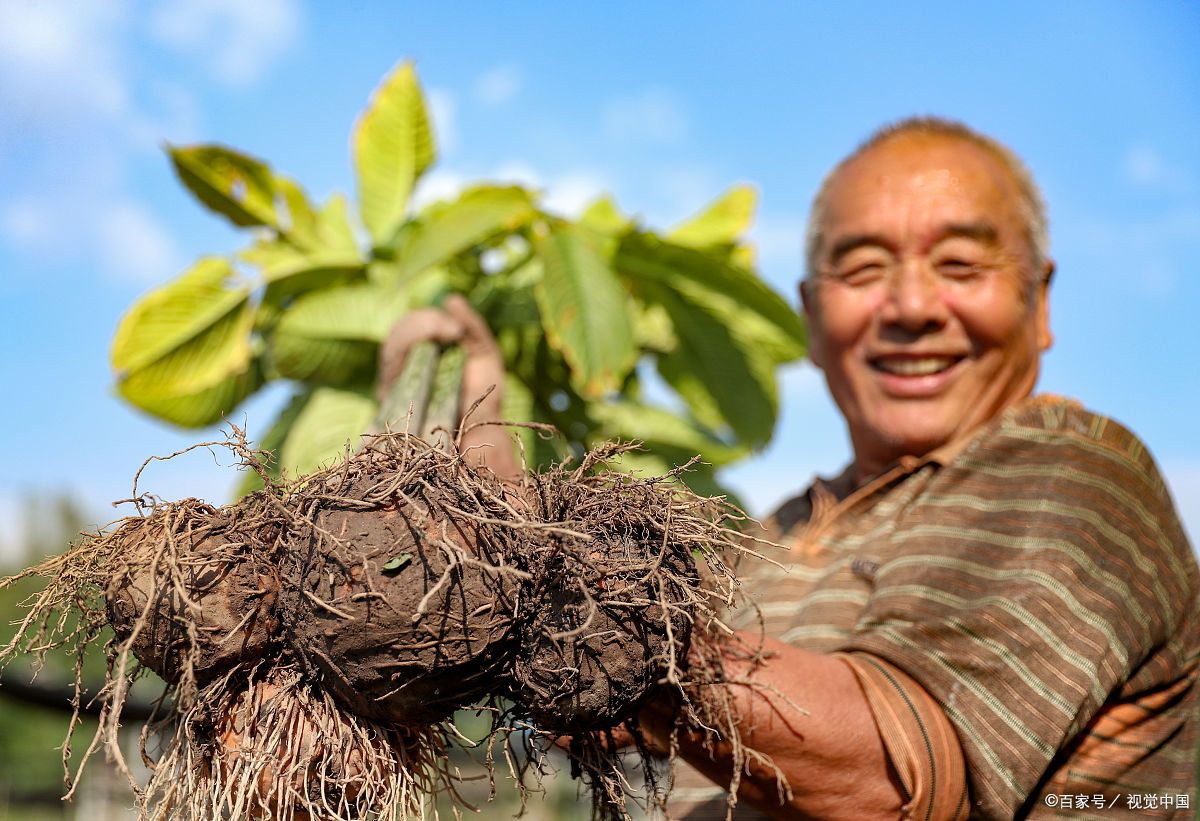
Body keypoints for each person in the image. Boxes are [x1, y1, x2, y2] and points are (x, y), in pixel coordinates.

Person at [381, 117, 1199, 820]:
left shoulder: (1076, 478)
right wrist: (480, 461)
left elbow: (890, 778)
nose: (912, 307)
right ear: (811, 318)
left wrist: (583, 594)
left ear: (1040, 303)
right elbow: (588, 711)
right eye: (865, 268)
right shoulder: (780, 532)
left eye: (959, 265)